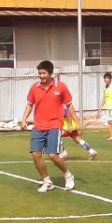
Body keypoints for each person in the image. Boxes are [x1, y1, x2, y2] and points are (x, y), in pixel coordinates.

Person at [20, 61, 77, 192]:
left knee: (52, 155)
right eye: (39, 73)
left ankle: (68, 175)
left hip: (54, 125)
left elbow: (69, 105)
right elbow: (30, 104)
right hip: (38, 126)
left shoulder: (61, 87)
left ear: (51, 73)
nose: (41, 76)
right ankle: (47, 181)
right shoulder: (34, 87)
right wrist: (23, 120)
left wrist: (76, 122)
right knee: (35, 154)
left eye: (44, 73)